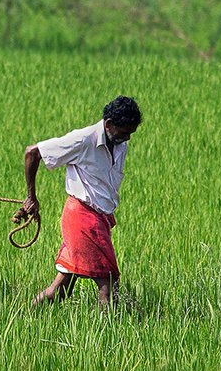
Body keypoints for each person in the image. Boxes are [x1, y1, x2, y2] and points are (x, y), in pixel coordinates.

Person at [21, 96, 142, 310]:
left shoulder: (119, 144)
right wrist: (31, 197)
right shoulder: (83, 139)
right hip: (82, 218)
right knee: (108, 281)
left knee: (62, 289)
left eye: (130, 134)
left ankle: (23, 315)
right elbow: (33, 152)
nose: (127, 139)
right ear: (108, 124)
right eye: (124, 133)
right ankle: (110, 336)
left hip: (99, 219)